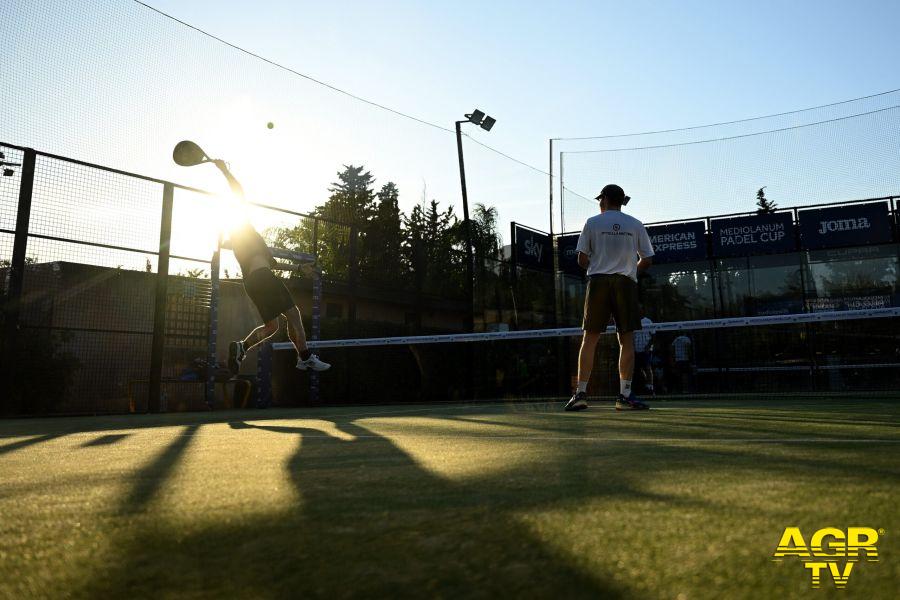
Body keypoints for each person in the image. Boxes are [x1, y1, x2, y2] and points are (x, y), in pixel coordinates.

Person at [212, 159, 330, 375]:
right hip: (262, 279)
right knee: (293, 313)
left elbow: (267, 265)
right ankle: (305, 357)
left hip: (255, 282)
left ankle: (241, 347)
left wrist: (297, 269)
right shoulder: (242, 229)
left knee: (272, 326)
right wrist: (225, 171)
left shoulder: (255, 244)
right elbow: (238, 192)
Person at [565, 184, 654, 412]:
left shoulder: (592, 222)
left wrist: (597, 264)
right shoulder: (635, 224)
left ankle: (581, 394)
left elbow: (582, 260)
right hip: (626, 283)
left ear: (604, 199)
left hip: (598, 282)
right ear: (621, 201)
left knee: (590, 338)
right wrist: (629, 270)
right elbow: (647, 260)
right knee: (626, 340)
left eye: (600, 199)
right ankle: (624, 396)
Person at [633, 316, 655, 396]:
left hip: (646, 351)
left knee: (648, 368)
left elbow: (653, 335)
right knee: (638, 370)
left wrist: (648, 346)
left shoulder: (648, 321)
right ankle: (642, 387)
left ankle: (650, 388)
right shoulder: (632, 321)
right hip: (636, 350)